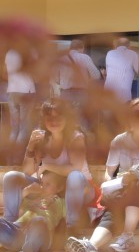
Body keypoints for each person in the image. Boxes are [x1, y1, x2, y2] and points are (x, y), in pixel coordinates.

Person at [65, 99, 139, 252]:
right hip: (123, 191)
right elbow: (108, 173)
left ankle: (127, 236)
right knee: (112, 213)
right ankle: (92, 246)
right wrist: (114, 184)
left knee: (135, 187)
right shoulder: (119, 141)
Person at [3, 98, 102, 233]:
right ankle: (9, 224)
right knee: (11, 177)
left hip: (79, 190)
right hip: (50, 188)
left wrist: (47, 166)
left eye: (58, 116)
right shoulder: (42, 138)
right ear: (43, 119)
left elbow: (76, 168)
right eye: (49, 117)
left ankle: (71, 227)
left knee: (75, 176)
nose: (54, 121)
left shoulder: (76, 137)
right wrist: (30, 146)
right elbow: (27, 171)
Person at [1, 171, 66, 252]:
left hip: (41, 238)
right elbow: (14, 203)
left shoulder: (61, 202)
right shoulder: (30, 199)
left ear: (59, 188)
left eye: (48, 184)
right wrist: (27, 190)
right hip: (17, 234)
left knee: (38, 221)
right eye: (41, 182)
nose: (42, 187)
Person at [5, 49, 37, 164]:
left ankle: (10, 159)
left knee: (14, 129)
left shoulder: (9, 53)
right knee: (24, 128)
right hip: (26, 92)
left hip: (11, 91)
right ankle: (18, 159)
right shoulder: (29, 51)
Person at [104, 38, 138, 103]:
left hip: (108, 89)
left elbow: (108, 71)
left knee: (109, 110)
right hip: (123, 90)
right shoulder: (132, 54)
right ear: (128, 45)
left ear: (116, 45)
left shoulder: (109, 53)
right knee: (124, 111)